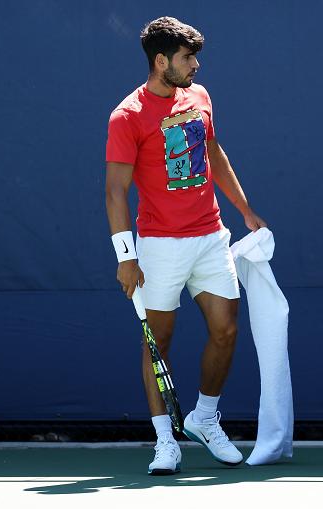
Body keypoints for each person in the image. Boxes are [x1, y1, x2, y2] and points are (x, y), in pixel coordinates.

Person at [105, 16, 266, 475]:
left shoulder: (200, 96)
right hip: (158, 245)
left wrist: (244, 209)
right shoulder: (128, 116)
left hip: (211, 236)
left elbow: (212, 152)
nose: (195, 65)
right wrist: (126, 257)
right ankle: (164, 441)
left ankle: (204, 418)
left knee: (226, 331)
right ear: (161, 61)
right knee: (158, 341)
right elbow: (115, 190)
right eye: (187, 58)